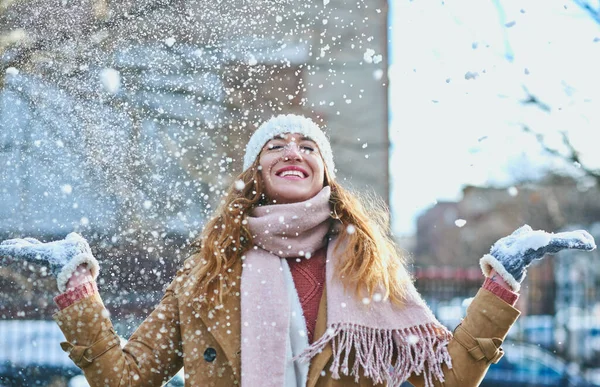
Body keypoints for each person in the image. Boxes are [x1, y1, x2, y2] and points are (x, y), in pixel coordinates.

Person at [0, 114, 596, 387]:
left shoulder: (372, 272)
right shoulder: (204, 279)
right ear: (254, 174)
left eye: (307, 145)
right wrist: (77, 289)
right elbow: (123, 381)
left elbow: (449, 377)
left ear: (325, 174)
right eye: (274, 145)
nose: (292, 150)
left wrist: (499, 287)